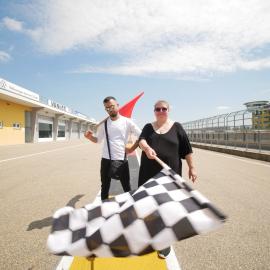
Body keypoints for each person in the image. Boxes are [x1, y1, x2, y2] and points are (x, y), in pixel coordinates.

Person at [138, 100, 197, 259]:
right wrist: (146, 148)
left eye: (164, 109)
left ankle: (164, 241)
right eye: (158, 109)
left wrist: (192, 167)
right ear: (154, 111)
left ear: (169, 110)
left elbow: (187, 150)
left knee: (167, 208)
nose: (161, 111)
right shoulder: (148, 127)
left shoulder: (177, 127)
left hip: (169, 176)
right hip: (148, 175)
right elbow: (141, 140)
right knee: (149, 208)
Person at [84, 96, 141, 201]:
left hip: (121, 159)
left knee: (126, 186)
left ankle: (130, 206)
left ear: (118, 105)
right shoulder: (103, 124)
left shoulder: (127, 122)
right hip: (106, 159)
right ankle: (103, 208)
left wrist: (132, 148)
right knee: (105, 186)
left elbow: (141, 135)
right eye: (107, 108)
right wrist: (89, 137)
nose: (110, 109)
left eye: (112, 106)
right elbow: (98, 140)